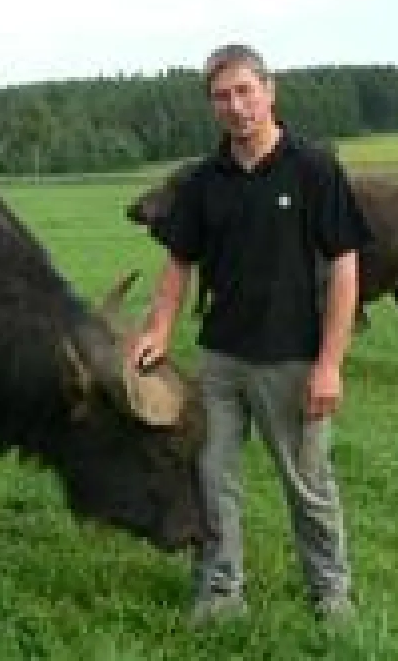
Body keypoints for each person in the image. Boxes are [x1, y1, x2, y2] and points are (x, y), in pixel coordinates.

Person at [125, 44, 370, 626]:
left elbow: (344, 266)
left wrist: (331, 363)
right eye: (221, 96)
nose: (235, 107)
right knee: (213, 482)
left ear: (269, 90)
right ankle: (219, 593)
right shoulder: (204, 180)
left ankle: (331, 593)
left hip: (293, 359)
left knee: (308, 485)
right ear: (212, 105)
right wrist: (158, 326)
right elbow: (179, 261)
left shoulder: (313, 169)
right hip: (220, 362)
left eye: (245, 92)